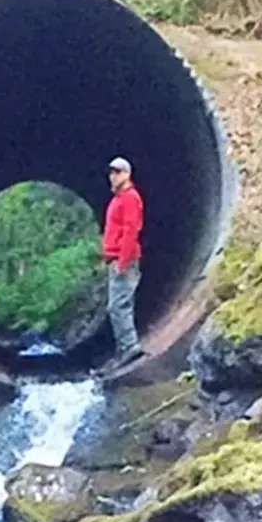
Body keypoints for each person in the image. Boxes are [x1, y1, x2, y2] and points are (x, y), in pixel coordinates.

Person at [102, 156, 144, 366]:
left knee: (118, 306)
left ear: (127, 174)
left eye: (117, 172)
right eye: (111, 172)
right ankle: (124, 349)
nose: (113, 176)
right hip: (115, 259)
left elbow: (131, 230)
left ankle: (129, 347)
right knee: (120, 304)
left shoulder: (129, 198)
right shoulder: (118, 199)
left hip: (123, 260)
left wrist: (122, 261)